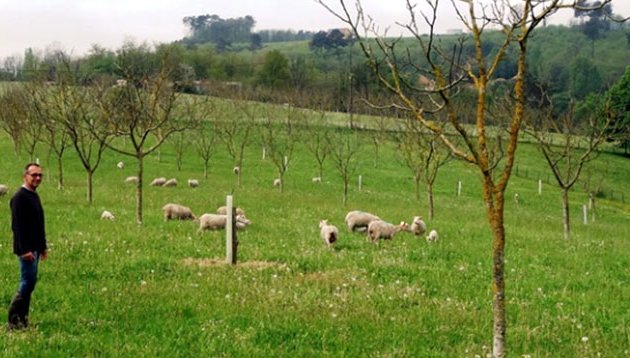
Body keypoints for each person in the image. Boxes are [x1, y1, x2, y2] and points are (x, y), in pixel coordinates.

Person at [7, 163, 47, 330]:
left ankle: (23, 319)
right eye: (34, 175)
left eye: (40, 175)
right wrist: (23, 250)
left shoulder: (34, 195)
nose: (37, 178)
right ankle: (14, 320)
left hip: (35, 249)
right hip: (27, 251)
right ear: (25, 176)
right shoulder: (19, 198)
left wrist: (43, 247)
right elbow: (18, 226)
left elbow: (38, 224)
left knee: (30, 283)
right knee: (26, 283)